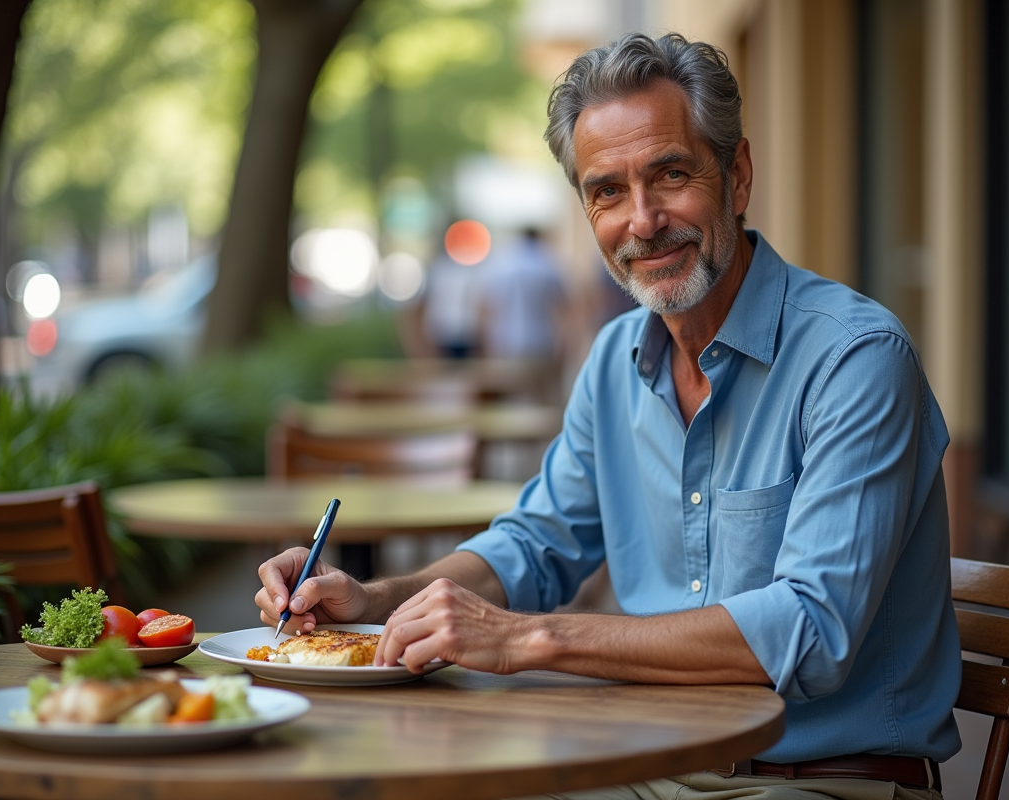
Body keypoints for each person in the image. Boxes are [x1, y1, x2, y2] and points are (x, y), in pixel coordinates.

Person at [257, 32, 960, 800]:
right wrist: (379, 601)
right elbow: (537, 545)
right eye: (607, 191)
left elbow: (811, 632)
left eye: (671, 174)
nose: (644, 219)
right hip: (649, 764)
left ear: (738, 175)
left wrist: (526, 638)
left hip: (824, 781)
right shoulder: (615, 359)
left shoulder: (855, 359)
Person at [476, 226, 568, 363]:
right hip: (541, 340)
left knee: (508, 383)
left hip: (505, 340)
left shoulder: (500, 267)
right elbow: (564, 309)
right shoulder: (549, 266)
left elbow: (485, 308)